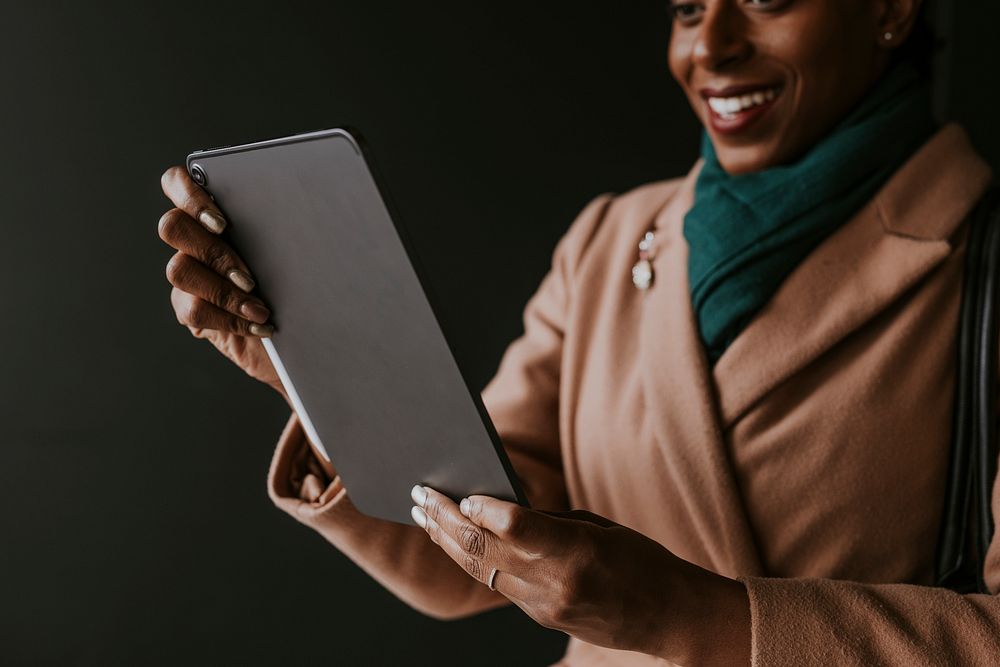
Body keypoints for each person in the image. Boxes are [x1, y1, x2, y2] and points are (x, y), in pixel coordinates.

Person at [156, 0, 1000, 664]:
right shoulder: (608, 237)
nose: (710, 47)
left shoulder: (983, 256)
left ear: (892, 7)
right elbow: (472, 545)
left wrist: (694, 618)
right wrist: (319, 370)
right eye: (685, 9)